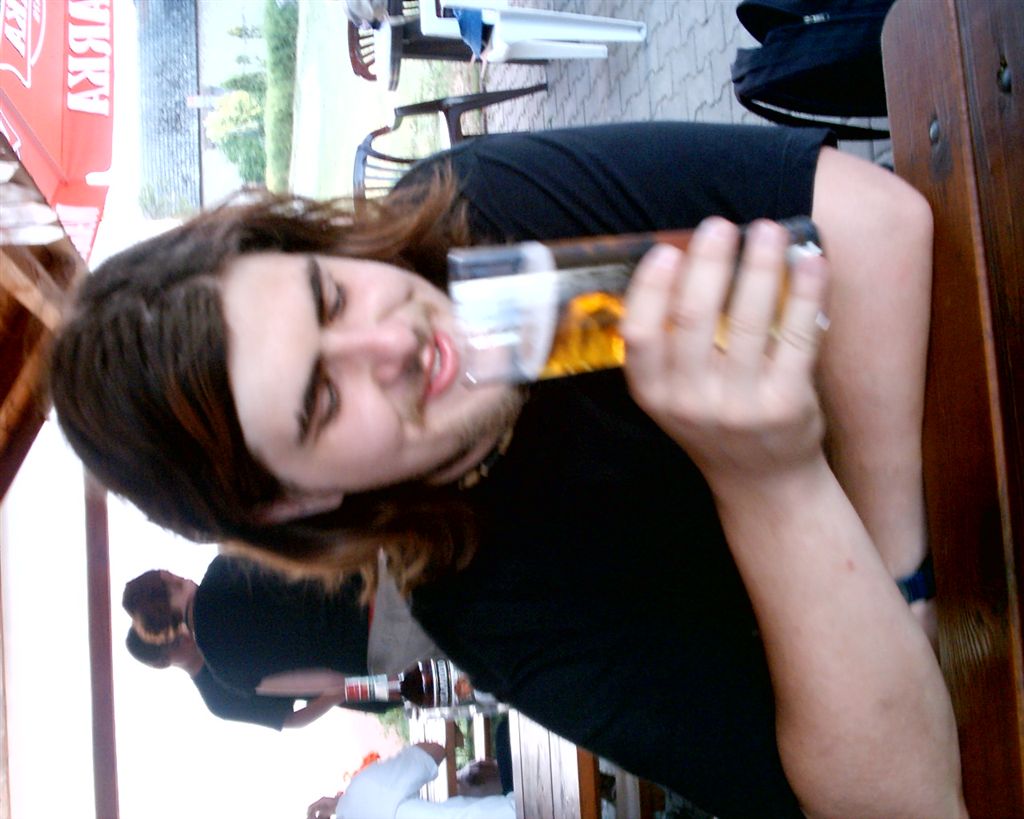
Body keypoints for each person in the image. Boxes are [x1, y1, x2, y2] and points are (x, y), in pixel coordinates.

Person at [49, 123, 964, 818]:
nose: (393, 341)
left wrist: (896, 579)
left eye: (332, 294)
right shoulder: (483, 603)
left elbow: (874, 221)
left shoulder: (481, 218)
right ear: (296, 501)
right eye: (322, 398)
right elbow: (893, 801)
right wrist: (772, 483)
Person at [122, 559, 396, 713]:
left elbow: (328, 683)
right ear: (166, 579)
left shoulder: (224, 671)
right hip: (374, 587)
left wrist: (387, 686)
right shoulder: (223, 568)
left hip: (374, 652)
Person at [125, 626, 336, 730]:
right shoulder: (217, 699)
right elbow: (291, 719)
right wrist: (341, 691)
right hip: (334, 680)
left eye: (176, 628)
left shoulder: (218, 629)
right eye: (175, 642)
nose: (185, 635)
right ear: (163, 662)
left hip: (326, 634)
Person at [306, 742, 516, 819]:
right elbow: (435, 751)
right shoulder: (360, 794)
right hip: (519, 812)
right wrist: (339, 804)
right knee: (504, 734)